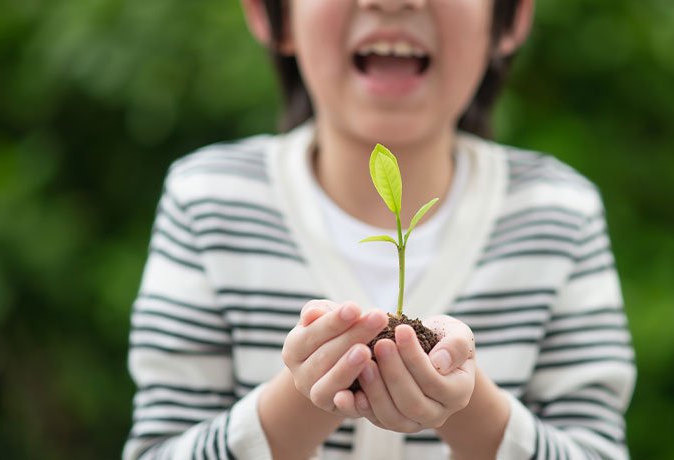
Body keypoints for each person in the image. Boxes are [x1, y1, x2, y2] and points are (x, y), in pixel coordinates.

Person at [123, 0, 636, 459]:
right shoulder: (208, 201)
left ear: (512, 16)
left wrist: (467, 402)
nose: (392, 2)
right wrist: (308, 397)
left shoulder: (560, 214)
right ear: (268, 13)